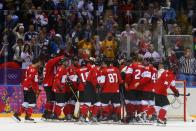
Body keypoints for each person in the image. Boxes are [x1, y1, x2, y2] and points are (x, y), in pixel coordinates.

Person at [13, 57, 43, 122]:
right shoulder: (33, 70)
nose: (41, 64)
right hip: (30, 88)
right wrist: (35, 89)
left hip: (26, 87)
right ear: (37, 62)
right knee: (32, 103)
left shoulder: (29, 67)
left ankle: (16, 115)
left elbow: (30, 79)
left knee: (26, 103)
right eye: (40, 62)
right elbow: (31, 80)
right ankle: (27, 117)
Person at [42, 55, 64, 119]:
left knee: (52, 100)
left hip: (49, 83)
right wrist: (61, 57)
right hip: (48, 84)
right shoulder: (49, 62)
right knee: (50, 100)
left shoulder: (50, 64)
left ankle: (48, 113)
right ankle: (47, 114)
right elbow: (53, 61)